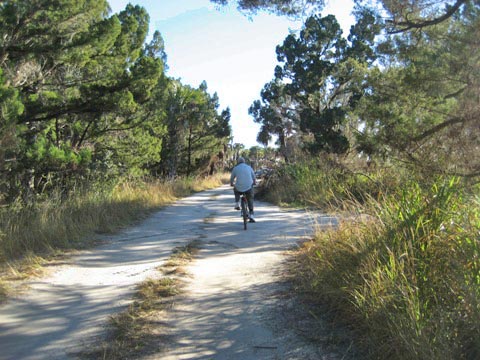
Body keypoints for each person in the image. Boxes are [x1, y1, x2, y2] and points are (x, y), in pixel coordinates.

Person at [230, 156, 256, 222]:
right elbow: (254, 177)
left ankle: (237, 203)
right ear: (244, 162)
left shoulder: (235, 168)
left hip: (239, 187)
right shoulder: (249, 167)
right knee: (250, 199)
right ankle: (252, 215)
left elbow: (232, 178)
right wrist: (254, 182)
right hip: (249, 187)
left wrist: (231, 183)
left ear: (238, 162)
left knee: (235, 190)